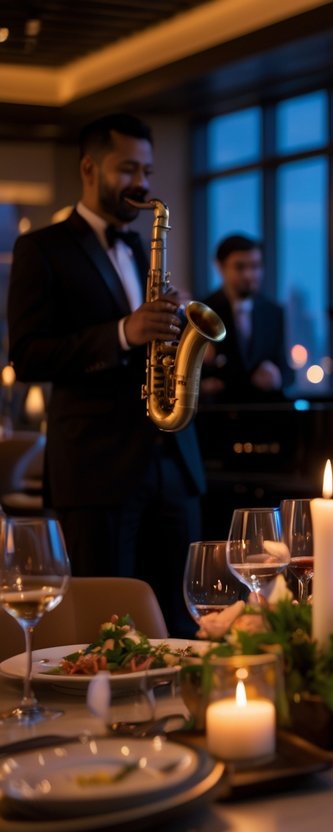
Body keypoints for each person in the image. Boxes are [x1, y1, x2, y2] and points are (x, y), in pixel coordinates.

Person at [7, 113, 204, 636]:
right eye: (128, 169)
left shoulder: (139, 246)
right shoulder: (41, 249)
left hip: (171, 463)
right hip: (98, 470)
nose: (141, 183)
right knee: (107, 625)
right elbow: (27, 355)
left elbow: (146, 337)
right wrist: (122, 332)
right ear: (89, 168)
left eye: (147, 170)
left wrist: (171, 320)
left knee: (181, 621)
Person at [200, 234, 288, 402]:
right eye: (240, 267)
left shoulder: (274, 312)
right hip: (217, 416)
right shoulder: (202, 311)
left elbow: (286, 370)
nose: (249, 275)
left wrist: (277, 377)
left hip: (262, 415)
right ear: (220, 267)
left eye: (255, 266)